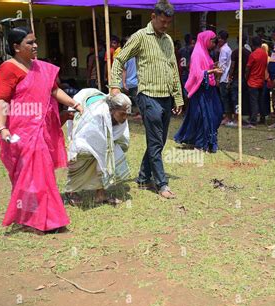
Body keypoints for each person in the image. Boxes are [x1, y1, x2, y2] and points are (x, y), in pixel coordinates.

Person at [0, 27, 83, 233]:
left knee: (42, 175)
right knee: (27, 176)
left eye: (35, 41)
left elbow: (54, 90)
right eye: (29, 43)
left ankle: (48, 219)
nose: (35, 46)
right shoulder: (8, 69)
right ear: (16, 47)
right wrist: (2, 128)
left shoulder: (41, 67)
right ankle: (34, 218)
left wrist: (75, 104)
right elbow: (2, 101)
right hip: (21, 132)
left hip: (40, 130)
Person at [110, 0, 183, 199]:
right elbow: (119, 59)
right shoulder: (140, 37)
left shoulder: (168, 40)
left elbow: (173, 68)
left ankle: (143, 177)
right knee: (156, 140)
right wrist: (115, 86)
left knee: (157, 140)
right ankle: (161, 184)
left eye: (168, 22)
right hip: (148, 95)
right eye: (162, 21)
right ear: (153, 17)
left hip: (166, 96)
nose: (165, 25)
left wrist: (178, 97)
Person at [65, 89, 132, 205]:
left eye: (127, 115)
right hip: (83, 126)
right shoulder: (96, 114)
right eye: (122, 114)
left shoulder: (122, 119)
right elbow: (81, 137)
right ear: (112, 110)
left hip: (103, 135)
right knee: (81, 156)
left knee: (108, 156)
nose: (125, 118)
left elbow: (121, 142)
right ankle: (72, 191)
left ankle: (100, 193)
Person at [174, 30, 223, 152]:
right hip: (200, 90)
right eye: (212, 41)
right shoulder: (197, 53)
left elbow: (205, 67)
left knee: (216, 113)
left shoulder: (206, 53)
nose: (214, 44)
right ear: (205, 40)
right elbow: (196, 73)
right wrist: (212, 71)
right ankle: (200, 143)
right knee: (202, 116)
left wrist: (213, 67)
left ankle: (203, 140)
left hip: (208, 89)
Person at [245, 36, 268, 127]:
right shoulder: (264, 54)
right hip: (261, 80)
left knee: (253, 102)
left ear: (252, 44)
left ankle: (253, 121)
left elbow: (248, 68)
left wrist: (246, 77)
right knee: (261, 101)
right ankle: (262, 118)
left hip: (253, 81)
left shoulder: (253, 54)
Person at [227, 35, 251, 122]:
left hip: (237, 78)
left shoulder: (235, 52)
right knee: (243, 98)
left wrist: (229, 77)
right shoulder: (248, 53)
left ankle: (237, 118)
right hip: (246, 79)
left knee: (235, 99)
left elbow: (232, 66)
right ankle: (242, 116)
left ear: (237, 41)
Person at [216, 30, 234, 127]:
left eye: (219, 38)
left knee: (224, 98)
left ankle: (227, 117)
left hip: (223, 77)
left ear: (222, 39)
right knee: (226, 98)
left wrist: (218, 78)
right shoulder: (228, 49)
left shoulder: (223, 50)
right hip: (226, 76)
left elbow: (222, 67)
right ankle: (228, 116)